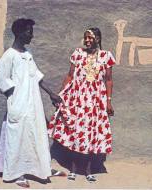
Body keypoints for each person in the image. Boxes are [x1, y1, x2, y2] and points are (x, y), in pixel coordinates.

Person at [0, 18, 65, 188]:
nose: (31, 35)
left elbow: (37, 77)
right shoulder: (9, 56)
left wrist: (51, 94)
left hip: (34, 105)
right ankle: (17, 174)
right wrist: (17, 99)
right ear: (19, 33)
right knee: (18, 138)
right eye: (29, 31)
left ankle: (44, 169)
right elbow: (1, 81)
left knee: (37, 135)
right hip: (20, 106)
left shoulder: (28, 55)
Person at [48, 27, 115, 182]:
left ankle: (88, 170)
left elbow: (109, 80)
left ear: (98, 39)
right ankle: (73, 169)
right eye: (85, 38)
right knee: (75, 133)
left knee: (92, 135)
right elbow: (70, 76)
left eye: (90, 38)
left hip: (96, 102)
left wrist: (108, 101)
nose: (87, 40)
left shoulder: (106, 57)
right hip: (77, 100)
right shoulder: (78, 54)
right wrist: (60, 95)